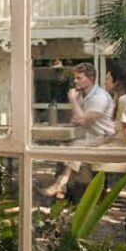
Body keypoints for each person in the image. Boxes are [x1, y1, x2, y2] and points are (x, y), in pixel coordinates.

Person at [39, 62, 115, 198]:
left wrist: (72, 100)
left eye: (79, 78)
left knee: (75, 147)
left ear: (90, 79)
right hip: (87, 135)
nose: (75, 81)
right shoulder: (82, 94)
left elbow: (82, 120)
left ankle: (59, 186)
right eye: (75, 77)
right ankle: (68, 190)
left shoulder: (100, 97)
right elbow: (76, 119)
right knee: (64, 146)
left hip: (103, 137)